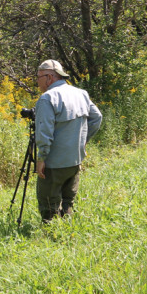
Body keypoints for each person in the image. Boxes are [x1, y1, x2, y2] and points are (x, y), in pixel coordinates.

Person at [33, 59, 102, 223]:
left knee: (48, 205)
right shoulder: (81, 93)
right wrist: (82, 142)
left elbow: (44, 132)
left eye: (39, 77)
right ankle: (67, 235)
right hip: (74, 160)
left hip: (54, 164)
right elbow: (97, 118)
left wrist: (41, 158)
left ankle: (50, 239)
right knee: (67, 203)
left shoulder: (47, 98)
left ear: (49, 77)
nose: (37, 81)